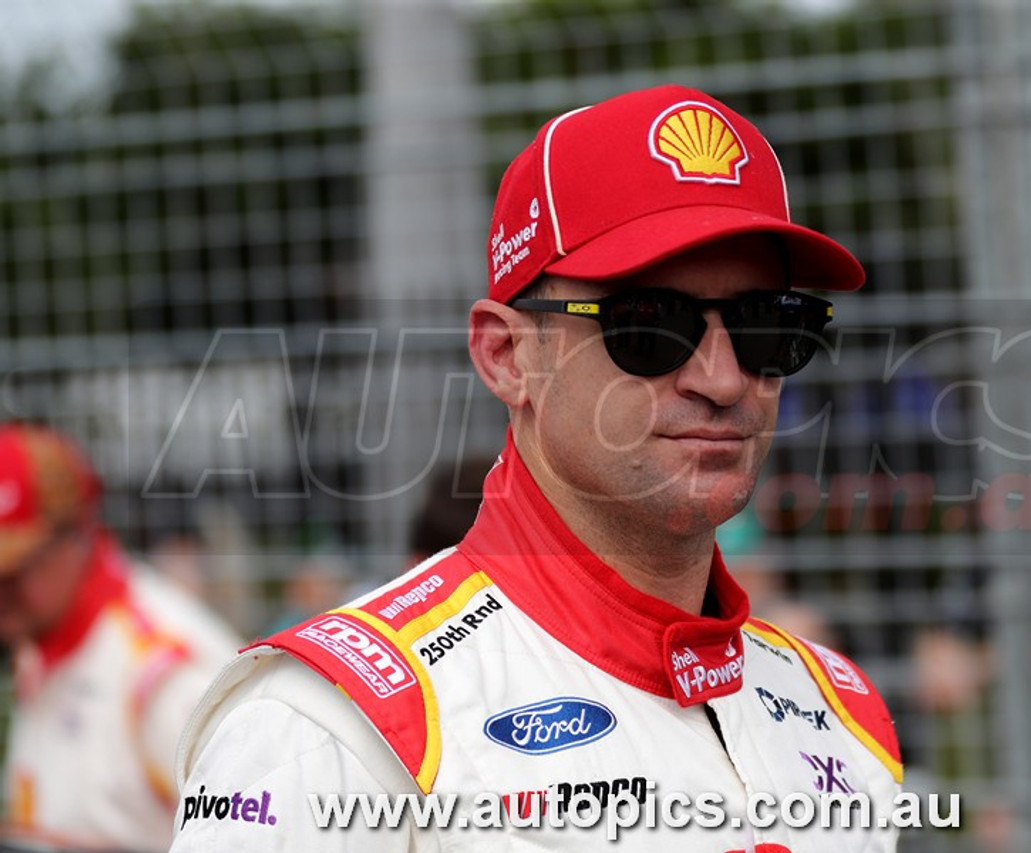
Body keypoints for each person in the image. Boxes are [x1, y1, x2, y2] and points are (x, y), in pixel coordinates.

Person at [171, 84, 902, 851]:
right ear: (508, 355)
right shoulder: (332, 729)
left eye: (766, 325)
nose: (721, 379)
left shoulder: (843, 715)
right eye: (648, 327)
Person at [0, 423, 240, 852]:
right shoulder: (39, 642)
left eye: (13, 572)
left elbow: (267, 834)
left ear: (76, 534)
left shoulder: (163, 672)